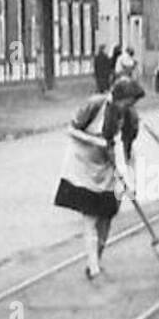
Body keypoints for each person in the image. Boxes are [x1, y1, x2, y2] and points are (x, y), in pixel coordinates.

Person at [54, 78, 145, 277]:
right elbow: (71, 130)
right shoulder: (95, 104)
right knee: (90, 215)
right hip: (84, 163)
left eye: (132, 104)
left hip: (108, 166)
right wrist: (96, 142)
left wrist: (131, 181)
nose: (129, 107)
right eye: (127, 102)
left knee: (107, 215)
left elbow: (129, 151)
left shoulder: (130, 117)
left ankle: (97, 259)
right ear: (118, 97)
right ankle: (93, 266)